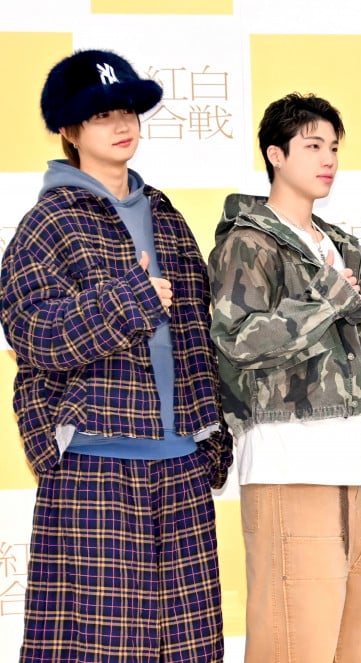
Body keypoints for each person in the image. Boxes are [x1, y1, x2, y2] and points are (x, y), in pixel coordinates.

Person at [0, 49, 229, 662]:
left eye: (127, 110)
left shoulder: (166, 216)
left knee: (192, 648)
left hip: (181, 464)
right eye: (102, 115)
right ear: (70, 131)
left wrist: (212, 439)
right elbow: (32, 332)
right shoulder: (48, 223)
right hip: (95, 467)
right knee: (97, 649)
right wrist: (128, 301)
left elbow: (199, 333)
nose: (122, 124)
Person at [208, 93, 361, 662]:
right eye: (312, 146)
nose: (328, 158)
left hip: (352, 464)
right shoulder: (247, 243)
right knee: (292, 645)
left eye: (333, 147)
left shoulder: (340, 247)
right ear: (275, 155)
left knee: (356, 649)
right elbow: (237, 340)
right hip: (289, 463)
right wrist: (326, 300)